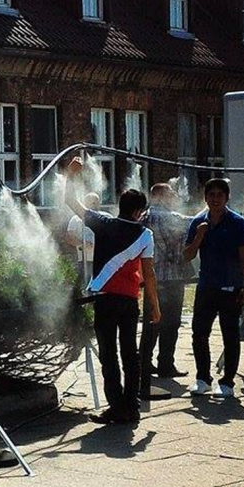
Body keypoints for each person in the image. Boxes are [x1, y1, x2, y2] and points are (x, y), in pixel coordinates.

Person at [64, 158, 160, 424]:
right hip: (129, 300)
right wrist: (156, 305)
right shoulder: (145, 234)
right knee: (130, 354)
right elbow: (149, 274)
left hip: (104, 299)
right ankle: (133, 407)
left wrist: (71, 174)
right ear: (139, 211)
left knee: (108, 354)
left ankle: (116, 407)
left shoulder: (101, 221)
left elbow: (71, 201)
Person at [183, 178, 244, 397]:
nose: (215, 199)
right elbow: (187, 255)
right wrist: (199, 236)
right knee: (198, 333)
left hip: (231, 287)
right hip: (206, 286)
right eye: (211, 195)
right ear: (205, 198)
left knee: (230, 334)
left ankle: (227, 382)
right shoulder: (198, 222)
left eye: (219, 195)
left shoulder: (237, 222)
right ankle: (203, 378)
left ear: (226, 198)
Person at [139, 183, 193, 383]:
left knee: (151, 323)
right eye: (171, 194)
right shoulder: (171, 218)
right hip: (172, 278)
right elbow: (194, 224)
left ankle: (144, 362)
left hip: (150, 278)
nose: (175, 198)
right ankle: (166, 365)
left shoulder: (143, 218)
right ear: (160, 196)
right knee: (170, 324)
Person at [66, 192, 100, 282]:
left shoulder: (105, 217)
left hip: (102, 260)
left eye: (96, 202)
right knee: (85, 285)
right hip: (84, 260)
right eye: (91, 202)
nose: (94, 205)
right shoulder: (75, 219)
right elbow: (69, 238)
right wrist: (83, 244)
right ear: (84, 203)